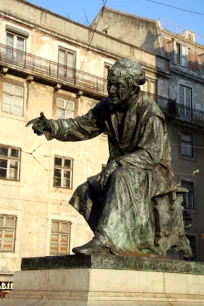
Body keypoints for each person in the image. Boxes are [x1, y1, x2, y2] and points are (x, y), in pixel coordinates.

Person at [27, 59, 191, 257]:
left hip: (153, 172)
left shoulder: (150, 112)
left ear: (132, 88)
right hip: (122, 168)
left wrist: (117, 164)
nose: (111, 90)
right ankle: (119, 241)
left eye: (117, 86)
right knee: (85, 191)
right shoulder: (107, 106)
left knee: (121, 177)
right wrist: (52, 126)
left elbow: (151, 154)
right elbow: (81, 126)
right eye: (109, 84)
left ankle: (105, 241)